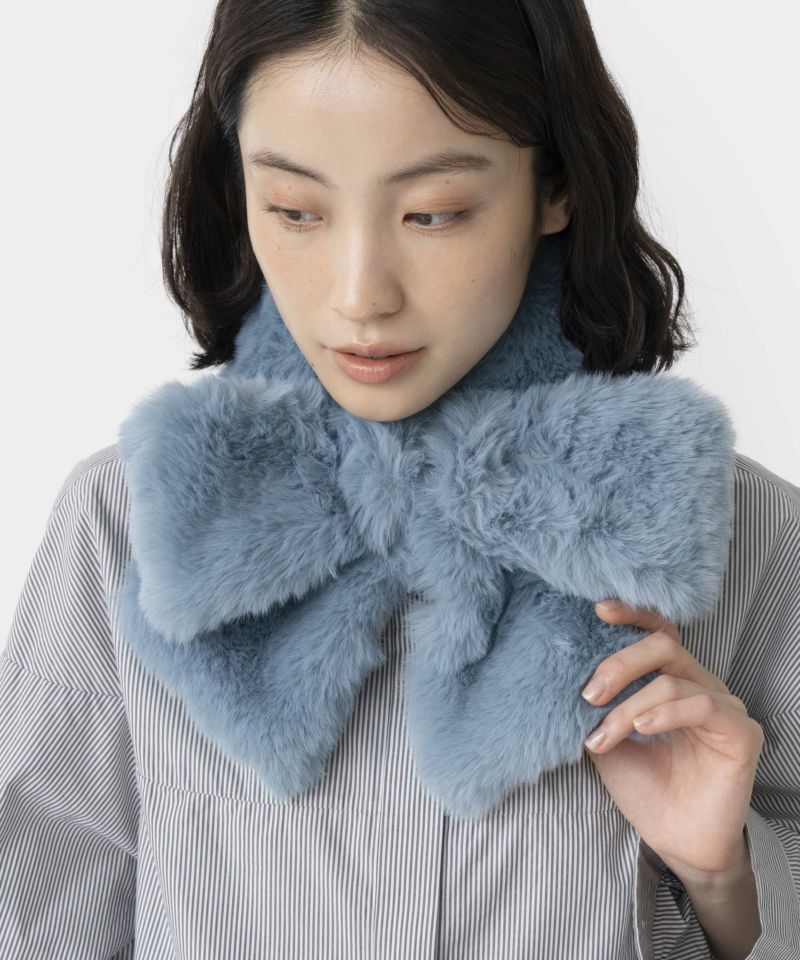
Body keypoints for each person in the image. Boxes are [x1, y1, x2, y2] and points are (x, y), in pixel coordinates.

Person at [1, 2, 798, 958]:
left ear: (556, 185)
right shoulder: (123, 521)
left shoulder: (742, 533)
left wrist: (724, 876)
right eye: (295, 210)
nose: (359, 295)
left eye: (434, 213)